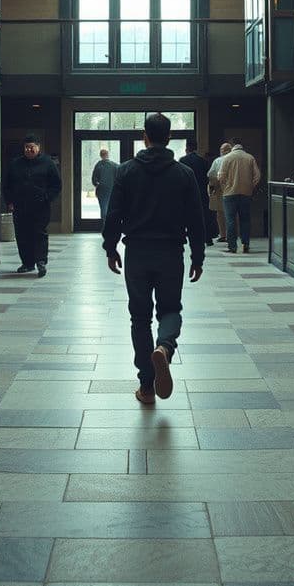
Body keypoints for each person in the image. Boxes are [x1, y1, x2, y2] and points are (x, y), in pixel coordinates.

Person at [103, 112, 205, 404]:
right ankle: (165, 348)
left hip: (137, 252)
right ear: (169, 137)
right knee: (170, 309)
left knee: (139, 317)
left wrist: (111, 248)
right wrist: (198, 256)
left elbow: (114, 214)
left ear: (144, 137)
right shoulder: (183, 173)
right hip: (171, 252)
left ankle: (147, 386)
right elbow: (196, 220)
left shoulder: (126, 171)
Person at [3, 133, 61, 276]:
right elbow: (7, 185)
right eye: (26, 148)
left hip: (40, 206)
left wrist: (47, 198)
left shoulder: (48, 163)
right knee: (22, 235)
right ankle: (27, 263)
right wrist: (9, 202)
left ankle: (41, 262)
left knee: (39, 233)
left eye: (32, 147)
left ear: (38, 147)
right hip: (19, 205)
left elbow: (56, 185)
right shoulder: (15, 164)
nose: (29, 150)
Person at [218, 141, 261, 253]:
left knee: (230, 220)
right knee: (245, 219)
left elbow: (221, 176)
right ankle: (245, 244)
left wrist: (225, 187)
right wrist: (250, 187)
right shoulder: (250, 158)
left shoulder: (227, 158)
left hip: (229, 193)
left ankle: (232, 246)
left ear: (233, 148)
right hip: (246, 193)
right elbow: (257, 176)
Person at [179, 137, 214, 245]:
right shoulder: (203, 161)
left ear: (187, 148)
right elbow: (207, 177)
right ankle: (207, 238)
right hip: (202, 192)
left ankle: (183, 236)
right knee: (204, 215)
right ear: (196, 148)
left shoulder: (183, 161)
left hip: (186, 193)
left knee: (184, 215)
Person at [207, 141, 232, 242]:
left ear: (222, 151)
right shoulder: (233, 159)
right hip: (233, 189)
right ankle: (232, 235)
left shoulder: (218, 161)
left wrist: (212, 188)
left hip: (220, 189)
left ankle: (223, 235)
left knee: (220, 213)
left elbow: (211, 175)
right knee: (232, 214)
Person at [91, 147, 119, 221]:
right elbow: (119, 178)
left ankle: (105, 226)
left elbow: (94, 179)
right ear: (108, 155)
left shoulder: (98, 165)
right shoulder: (115, 165)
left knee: (103, 208)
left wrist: (98, 185)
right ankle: (112, 225)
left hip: (102, 191)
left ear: (100, 155)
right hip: (112, 190)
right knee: (112, 208)